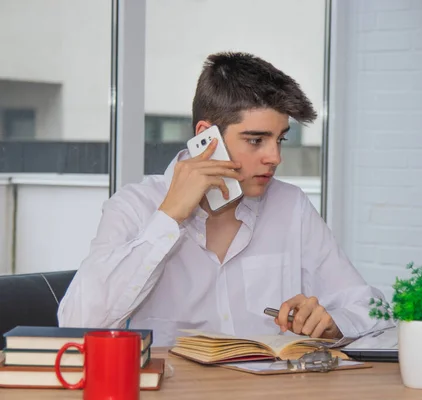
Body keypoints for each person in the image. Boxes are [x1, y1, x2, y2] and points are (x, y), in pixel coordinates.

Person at [58, 52, 392, 346]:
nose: (274, 157)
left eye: (280, 140)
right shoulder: (133, 206)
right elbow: (76, 324)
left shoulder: (291, 206)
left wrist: (333, 324)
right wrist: (169, 217)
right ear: (206, 137)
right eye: (256, 140)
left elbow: (370, 307)